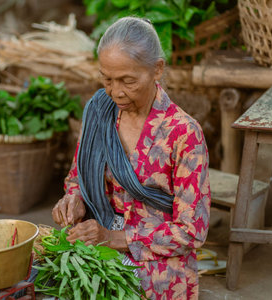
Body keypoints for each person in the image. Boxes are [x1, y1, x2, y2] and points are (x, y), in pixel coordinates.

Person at [51, 16, 211, 300]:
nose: (115, 92)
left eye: (128, 81)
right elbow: (77, 176)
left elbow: (192, 231)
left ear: (157, 69)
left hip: (158, 263)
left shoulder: (183, 133)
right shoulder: (100, 112)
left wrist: (114, 238)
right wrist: (74, 198)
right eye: (107, 79)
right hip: (99, 244)